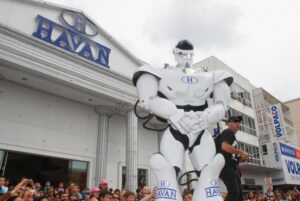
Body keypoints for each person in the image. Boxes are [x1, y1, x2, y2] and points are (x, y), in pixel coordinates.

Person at [132, 40, 233, 201]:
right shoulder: (159, 72)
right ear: (175, 53)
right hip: (176, 127)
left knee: (208, 173)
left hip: (201, 128)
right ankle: (168, 184)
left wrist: (207, 117)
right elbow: (146, 99)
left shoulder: (211, 76)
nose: (186, 56)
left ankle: (208, 184)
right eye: (182, 53)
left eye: (189, 54)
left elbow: (223, 105)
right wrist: (173, 113)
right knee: (169, 173)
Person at [218, 116, 249, 201]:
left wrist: (242, 158)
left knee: (239, 196)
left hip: (232, 168)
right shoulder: (228, 132)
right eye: (235, 121)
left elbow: (232, 157)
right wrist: (241, 152)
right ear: (228, 123)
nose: (238, 124)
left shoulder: (232, 137)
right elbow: (224, 146)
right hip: (226, 167)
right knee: (234, 192)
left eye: (239, 122)